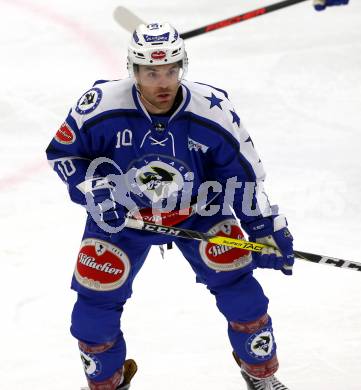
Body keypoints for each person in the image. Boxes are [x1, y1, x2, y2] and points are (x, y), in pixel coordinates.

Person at [46, 22, 294, 390]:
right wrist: (95, 191)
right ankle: (106, 384)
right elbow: (64, 154)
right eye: (150, 72)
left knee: (244, 297)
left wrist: (264, 228)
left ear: (183, 66)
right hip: (121, 217)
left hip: (199, 211)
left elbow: (242, 177)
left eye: (171, 70)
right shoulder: (100, 105)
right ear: (132, 70)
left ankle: (261, 376)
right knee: (92, 314)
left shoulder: (213, 110)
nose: (162, 82)